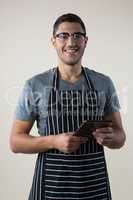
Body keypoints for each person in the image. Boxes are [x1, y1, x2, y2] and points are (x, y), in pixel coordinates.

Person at [10, 13, 126, 200]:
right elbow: (15, 142)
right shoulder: (35, 85)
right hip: (51, 189)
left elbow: (120, 137)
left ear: (85, 41)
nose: (71, 42)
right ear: (53, 41)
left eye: (77, 35)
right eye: (63, 35)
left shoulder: (103, 83)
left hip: (94, 187)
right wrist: (53, 141)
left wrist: (111, 138)